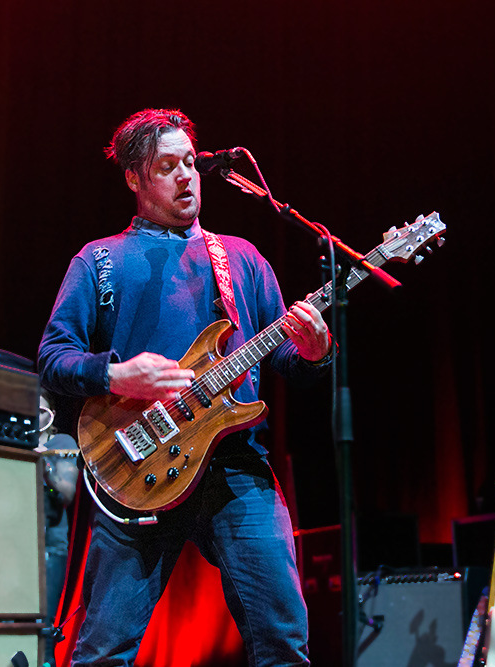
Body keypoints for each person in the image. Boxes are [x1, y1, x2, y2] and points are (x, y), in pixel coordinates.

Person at [38, 108, 333, 667]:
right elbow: (54, 358)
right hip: (138, 467)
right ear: (134, 178)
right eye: (167, 166)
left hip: (235, 466)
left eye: (191, 163)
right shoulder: (100, 260)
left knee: (284, 643)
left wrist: (315, 352)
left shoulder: (241, 257)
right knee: (103, 652)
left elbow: (288, 360)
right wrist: (115, 374)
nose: (186, 176)